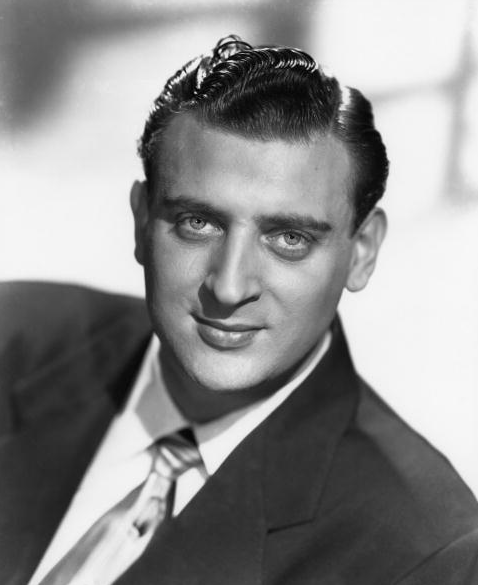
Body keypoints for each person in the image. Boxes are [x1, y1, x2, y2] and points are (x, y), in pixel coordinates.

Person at [1, 35, 477, 585]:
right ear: (140, 220)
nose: (228, 288)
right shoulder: (15, 333)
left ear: (362, 252)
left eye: (289, 238)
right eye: (197, 223)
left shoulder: (425, 551)